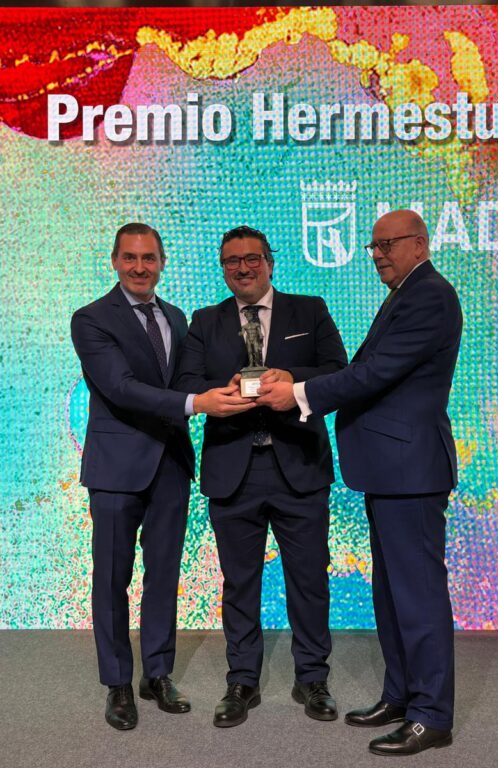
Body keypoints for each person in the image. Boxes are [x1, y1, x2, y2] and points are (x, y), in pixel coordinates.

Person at [258, 210, 462, 756]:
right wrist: (297, 380)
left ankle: (431, 715)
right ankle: (401, 696)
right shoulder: (406, 292)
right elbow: (365, 370)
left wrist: (298, 394)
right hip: (390, 470)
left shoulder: (430, 295)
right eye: (374, 247)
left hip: (411, 471)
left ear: (420, 245)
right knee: (393, 595)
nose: (378, 255)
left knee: (417, 596)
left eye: (388, 245)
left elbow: (375, 373)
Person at [71, 222, 255, 731]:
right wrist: (197, 403)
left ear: (162, 262)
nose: (139, 267)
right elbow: (121, 387)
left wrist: (229, 388)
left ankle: (157, 674)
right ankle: (117, 684)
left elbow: (186, 381)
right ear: (114, 261)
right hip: (116, 469)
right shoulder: (91, 319)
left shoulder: (175, 317)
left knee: (164, 576)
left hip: (170, 465)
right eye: (130, 257)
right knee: (112, 578)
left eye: (148, 258)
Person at [174, 225, 348, 727]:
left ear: (270, 263)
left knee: (309, 580)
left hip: (299, 468)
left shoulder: (309, 310)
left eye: (252, 258)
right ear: (223, 268)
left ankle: (312, 677)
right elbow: (186, 383)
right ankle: (242, 680)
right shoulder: (204, 321)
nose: (243, 268)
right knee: (239, 583)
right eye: (232, 261)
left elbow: (338, 371)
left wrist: (293, 380)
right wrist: (221, 391)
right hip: (234, 471)